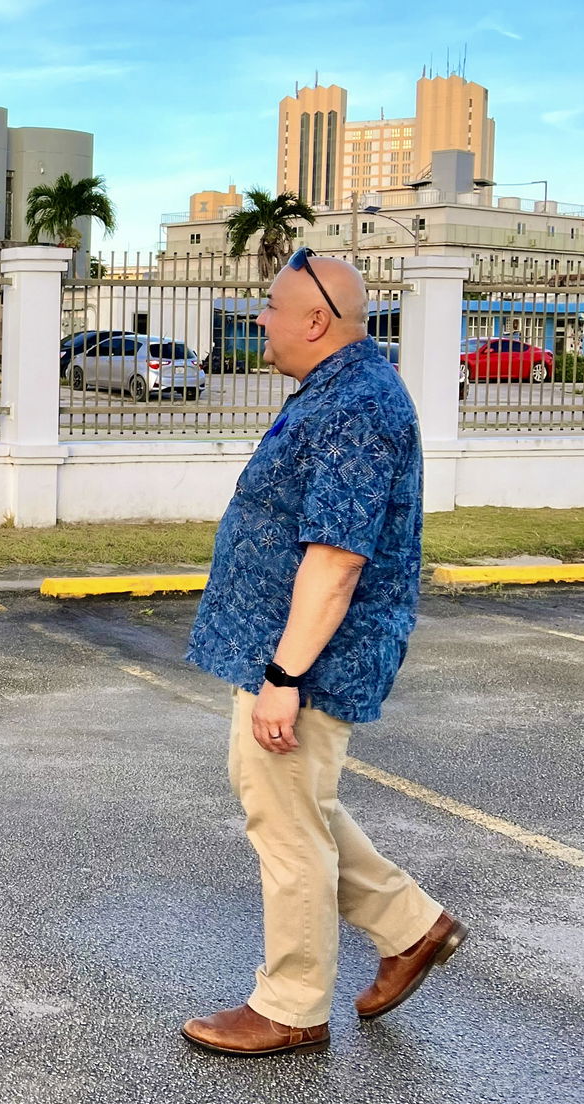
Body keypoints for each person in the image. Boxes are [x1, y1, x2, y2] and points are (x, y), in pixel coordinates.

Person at [181, 249, 467, 1057]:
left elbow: (338, 560)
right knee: (296, 805)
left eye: (270, 308)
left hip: (309, 660)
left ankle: (293, 1004)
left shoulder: (359, 408)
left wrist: (285, 676)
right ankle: (412, 927)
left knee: (287, 824)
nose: (259, 319)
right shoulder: (336, 392)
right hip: (286, 651)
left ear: (316, 320)